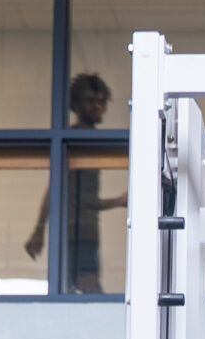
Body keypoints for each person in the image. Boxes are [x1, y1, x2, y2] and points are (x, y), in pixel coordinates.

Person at [24, 73, 128, 293]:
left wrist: (39, 230)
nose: (97, 106)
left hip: (81, 229)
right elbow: (71, 195)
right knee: (86, 286)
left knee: (74, 286)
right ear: (77, 104)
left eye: (101, 101)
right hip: (77, 230)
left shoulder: (86, 139)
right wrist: (119, 201)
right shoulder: (75, 139)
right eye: (90, 100)